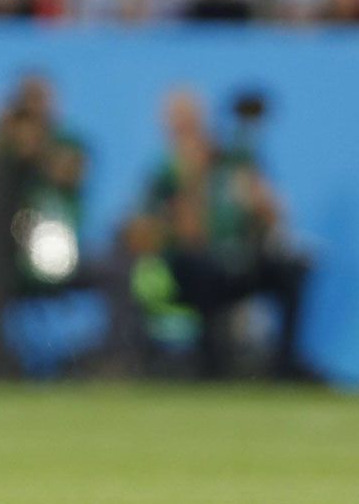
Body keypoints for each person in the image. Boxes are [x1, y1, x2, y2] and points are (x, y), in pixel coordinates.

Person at [124, 88, 319, 381]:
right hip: (186, 271)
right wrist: (191, 183)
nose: (188, 131)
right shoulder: (163, 175)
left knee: (293, 268)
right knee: (200, 266)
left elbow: (272, 217)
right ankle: (212, 365)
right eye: (179, 123)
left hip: (237, 261)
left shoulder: (233, 163)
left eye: (193, 122)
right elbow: (173, 237)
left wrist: (262, 202)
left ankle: (285, 363)